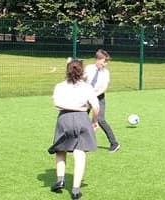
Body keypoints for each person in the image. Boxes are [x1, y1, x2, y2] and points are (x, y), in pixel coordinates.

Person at [49, 59, 100, 200]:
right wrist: (94, 121)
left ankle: (60, 180)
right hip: (82, 118)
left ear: (67, 71)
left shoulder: (60, 86)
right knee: (80, 152)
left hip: (64, 118)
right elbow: (96, 107)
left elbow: (56, 103)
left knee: (60, 149)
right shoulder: (87, 87)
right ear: (82, 72)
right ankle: (76, 190)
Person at [84, 49, 120, 152]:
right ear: (98, 60)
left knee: (100, 120)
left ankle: (114, 143)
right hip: (86, 97)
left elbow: (104, 87)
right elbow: (82, 80)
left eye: (106, 62)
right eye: (104, 61)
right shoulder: (89, 68)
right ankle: (84, 144)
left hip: (98, 97)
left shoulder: (106, 72)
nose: (106, 64)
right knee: (82, 119)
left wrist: (93, 96)